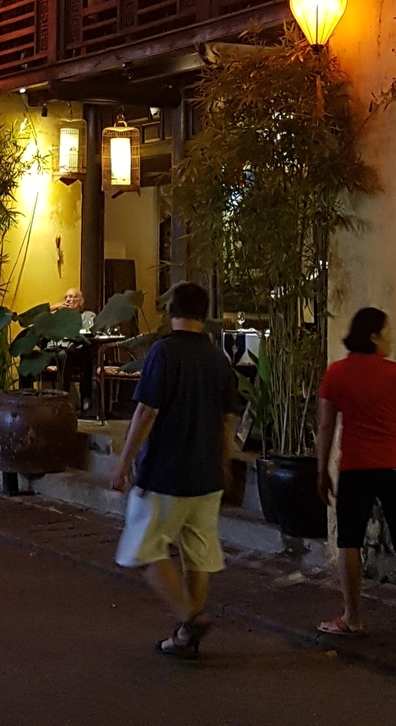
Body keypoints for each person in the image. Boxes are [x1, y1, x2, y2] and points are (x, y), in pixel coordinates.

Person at [110, 282, 238, 660]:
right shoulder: (219, 359)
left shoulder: (162, 353)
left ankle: (191, 617)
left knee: (144, 548)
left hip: (164, 472)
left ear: (171, 311)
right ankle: (186, 637)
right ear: (205, 314)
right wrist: (224, 464)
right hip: (206, 474)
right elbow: (226, 420)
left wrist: (122, 463)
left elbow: (146, 411)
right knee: (198, 554)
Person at [317, 307, 396, 650]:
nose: (391, 338)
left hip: (356, 467)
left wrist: (321, 469)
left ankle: (352, 617)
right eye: (387, 332)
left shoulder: (336, 374)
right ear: (373, 336)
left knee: (350, 542)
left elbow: (326, 426)